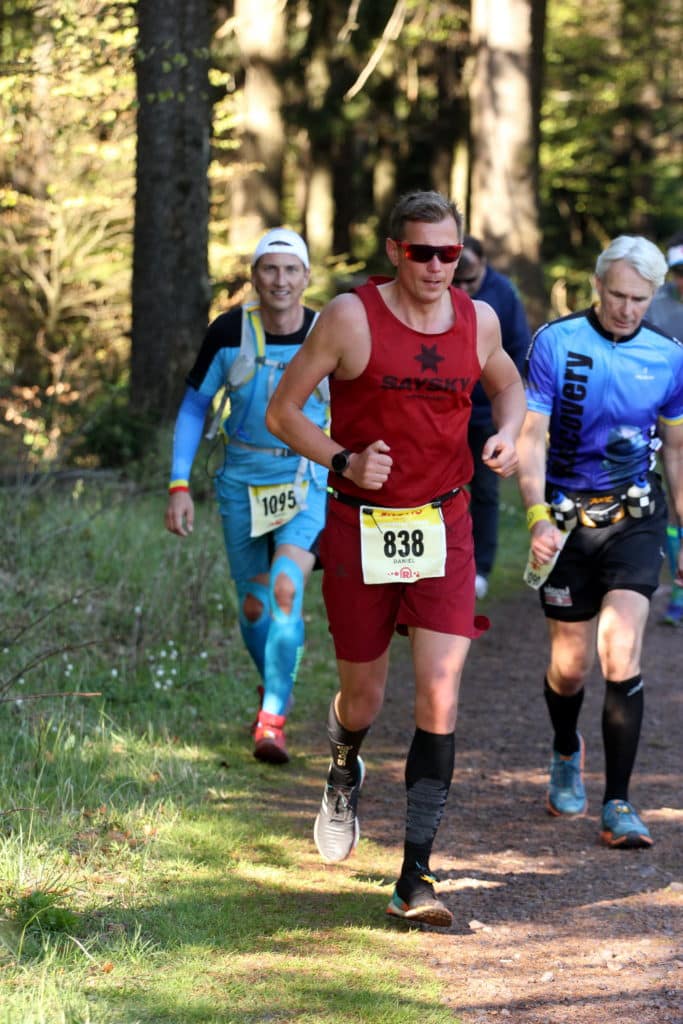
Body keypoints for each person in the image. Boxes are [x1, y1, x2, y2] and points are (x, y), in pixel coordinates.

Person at [266, 190, 525, 926]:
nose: (438, 267)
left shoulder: (479, 320)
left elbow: (508, 385)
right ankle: (344, 758)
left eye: (450, 253)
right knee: (366, 697)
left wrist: (506, 434)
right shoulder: (350, 318)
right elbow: (281, 411)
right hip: (359, 525)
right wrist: (342, 458)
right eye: (422, 252)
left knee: (439, 695)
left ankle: (415, 875)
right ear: (394, 252)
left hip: (443, 525)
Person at [517, 235, 683, 850]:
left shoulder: (669, 356)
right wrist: (535, 515)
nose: (627, 309)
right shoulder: (556, 343)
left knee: (620, 652)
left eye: (640, 298)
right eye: (617, 295)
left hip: (634, 520)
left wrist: (681, 533)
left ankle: (619, 801)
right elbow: (530, 437)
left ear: (653, 296)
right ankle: (566, 747)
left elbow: (678, 449)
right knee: (571, 667)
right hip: (564, 520)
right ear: (597, 285)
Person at [164, 228, 329, 765]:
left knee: (285, 588)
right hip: (241, 480)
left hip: (305, 478)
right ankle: (272, 688)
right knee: (254, 605)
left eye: (291, 270)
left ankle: (272, 721)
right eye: (269, 269)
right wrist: (178, 484)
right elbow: (194, 407)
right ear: (254, 276)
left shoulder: (330, 330)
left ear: (307, 276)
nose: (280, 281)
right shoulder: (229, 331)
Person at [454, 236, 531, 599]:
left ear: (484, 264)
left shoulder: (503, 293)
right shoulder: (441, 290)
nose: (465, 288)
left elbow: (518, 347)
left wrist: (507, 408)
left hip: (486, 410)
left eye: (471, 280)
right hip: (446, 409)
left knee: (484, 489)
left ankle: (481, 567)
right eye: (460, 280)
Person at [646, 231, 683, 625]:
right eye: (680, 272)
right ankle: (679, 592)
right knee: (677, 506)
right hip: (669, 423)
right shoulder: (655, 309)